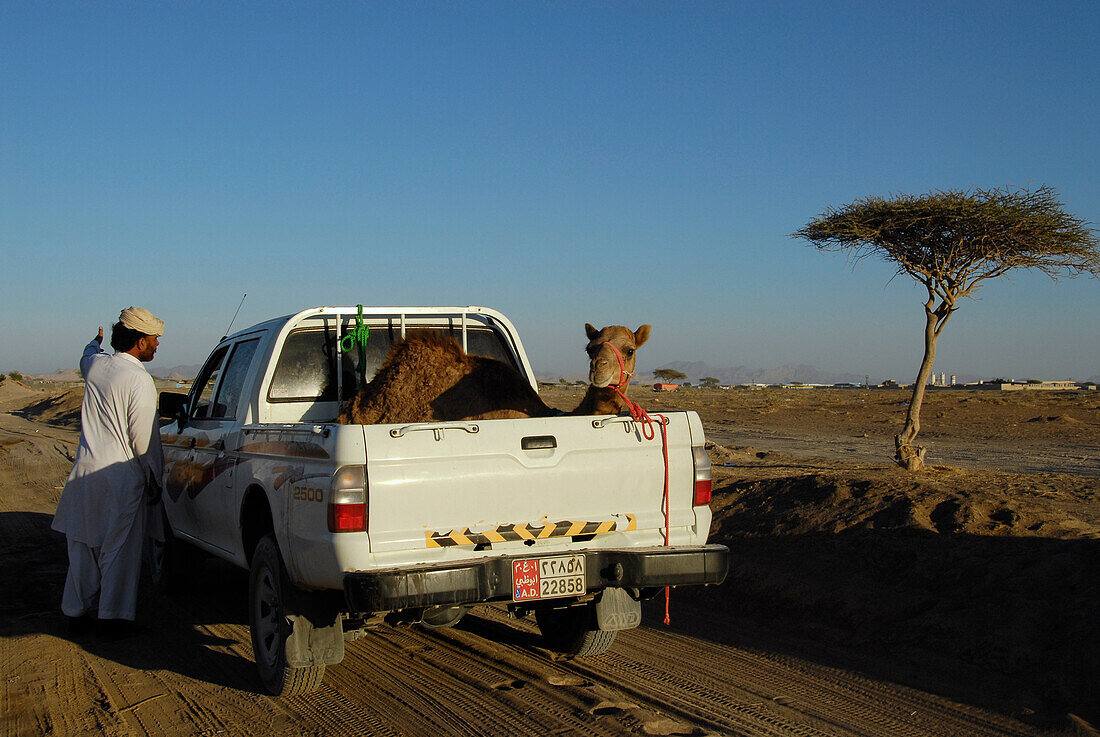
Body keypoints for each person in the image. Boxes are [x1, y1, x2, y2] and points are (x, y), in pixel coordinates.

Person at [52, 307, 166, 640]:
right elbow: (143, 440)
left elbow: (86, 354)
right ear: (140, 342)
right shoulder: (140, 381)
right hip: (120, 478)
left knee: (83, 546)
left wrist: (95, 341)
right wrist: (155, 479)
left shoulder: (96, 366)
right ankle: (113, 620)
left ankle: (75, 613)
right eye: (155, 339)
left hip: (85, 475)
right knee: (118, 550)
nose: (158, 345)